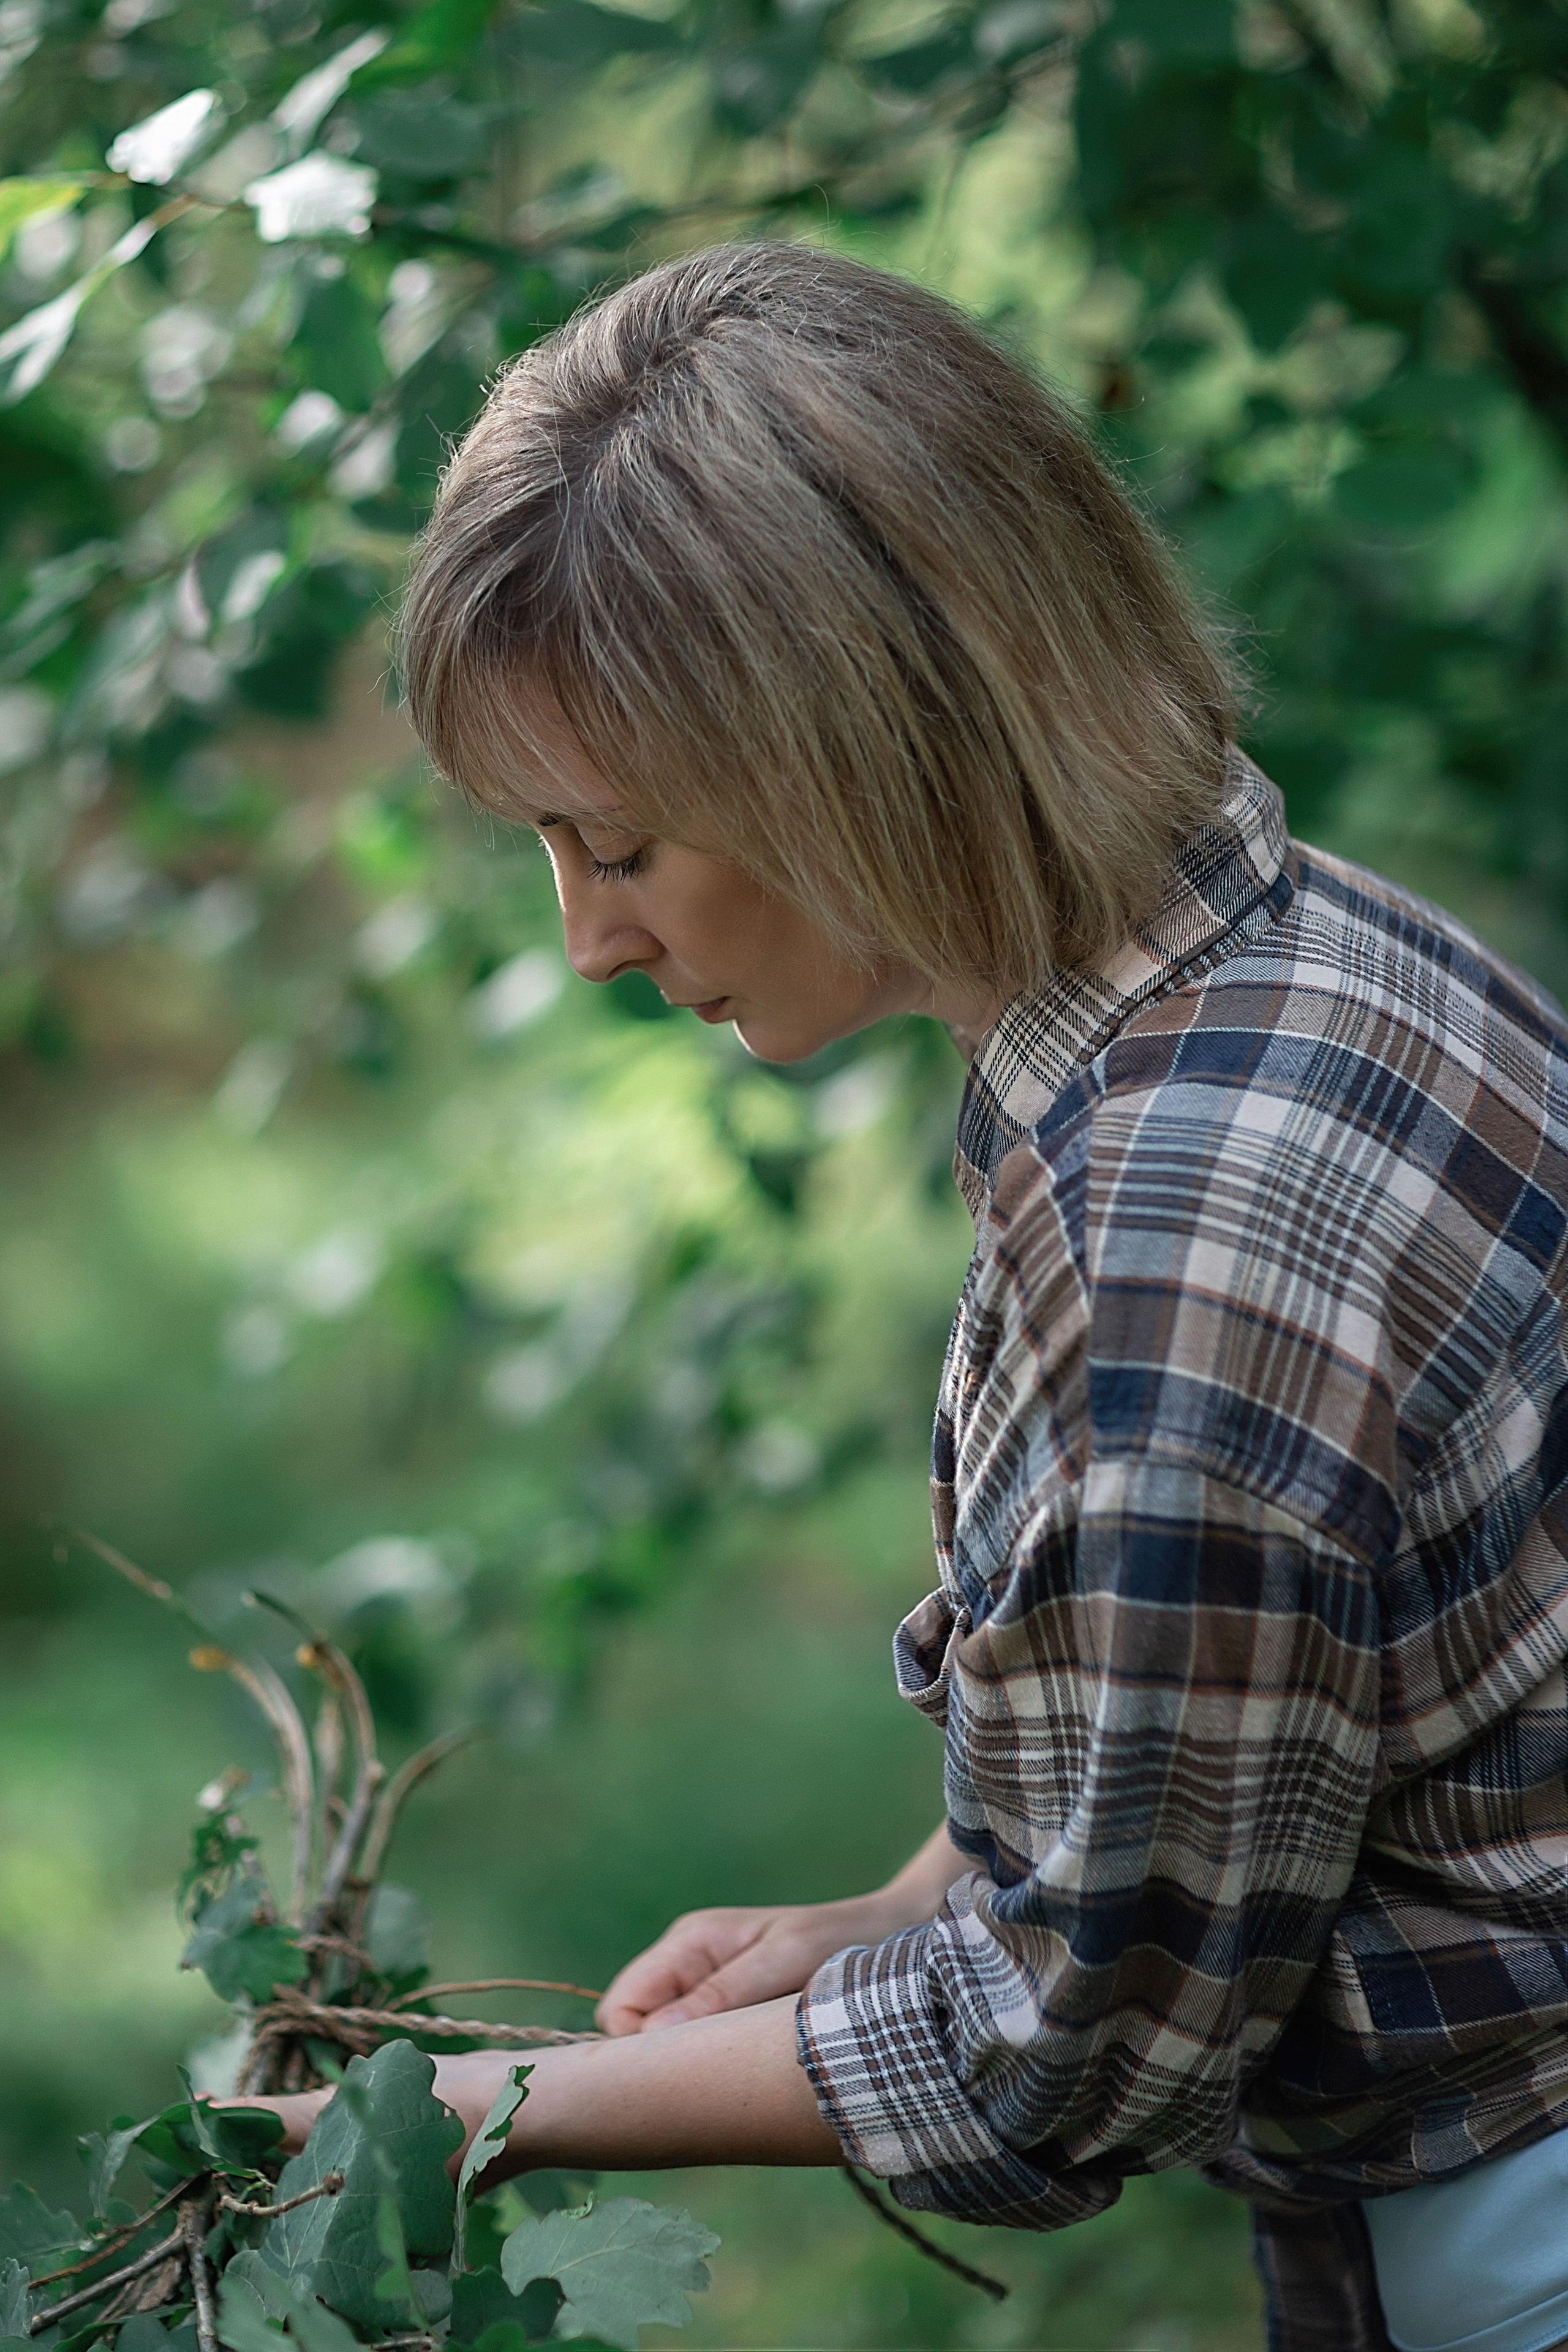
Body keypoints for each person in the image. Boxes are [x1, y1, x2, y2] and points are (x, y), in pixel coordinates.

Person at [241, 244, 1568, 2352]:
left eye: (623, 844)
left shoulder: (1174, 1264)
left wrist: (467, 2113)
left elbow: (1079, 2056)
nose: (586, 937)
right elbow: (1277, 1742)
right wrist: (893, 1916)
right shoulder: (1313, 961)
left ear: (857, 757)